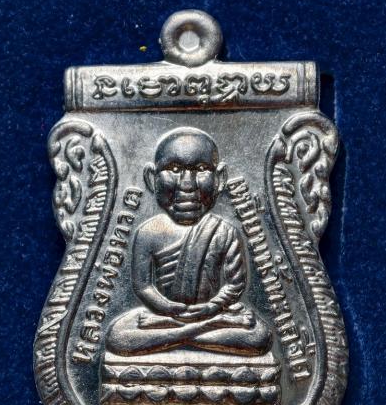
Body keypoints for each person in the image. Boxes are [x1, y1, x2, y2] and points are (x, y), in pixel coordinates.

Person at [105, 126, 271, 357]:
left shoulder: (225, 231)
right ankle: (196, 333)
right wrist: (168, 308)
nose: (187, 184)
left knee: (260, 336)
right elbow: (143, 287)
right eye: (174, 169)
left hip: (209, 314)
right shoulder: (147, 232)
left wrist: (210, 308)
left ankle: (181, 335)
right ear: (152, 179)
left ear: (220, 179)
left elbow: (235, 284)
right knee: (118, 336)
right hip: (167, 316)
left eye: (201, 170)